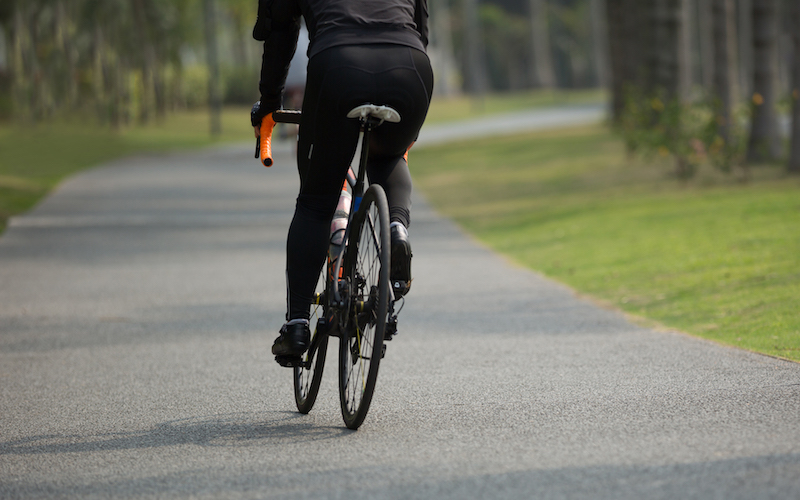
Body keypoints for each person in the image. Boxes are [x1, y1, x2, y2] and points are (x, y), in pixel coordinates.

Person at [250, 0, 433, 365]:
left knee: (317, 202)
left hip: (338, 65)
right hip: (410, 65)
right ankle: (397, 228)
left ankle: (298, 324)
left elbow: (280, 32)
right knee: (389, 156)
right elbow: (421, 26)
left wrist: (270, 101)